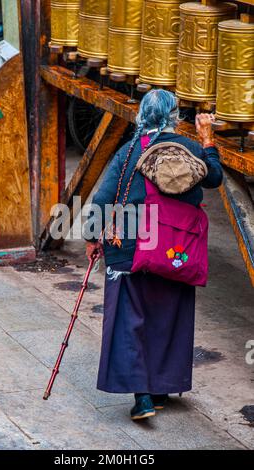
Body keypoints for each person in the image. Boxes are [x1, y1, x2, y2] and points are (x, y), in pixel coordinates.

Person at [83, 89, 223, 420]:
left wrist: (92, 237)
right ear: (175, 116)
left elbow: (104, 200)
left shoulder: (129, 152)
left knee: (130, 320)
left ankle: (143, 398)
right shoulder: (189, 148)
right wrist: (207, 139)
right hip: (176, 250)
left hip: (132, 248)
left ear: (142, 115)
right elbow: (214, 177)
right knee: (168, 317)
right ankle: (161, 389)